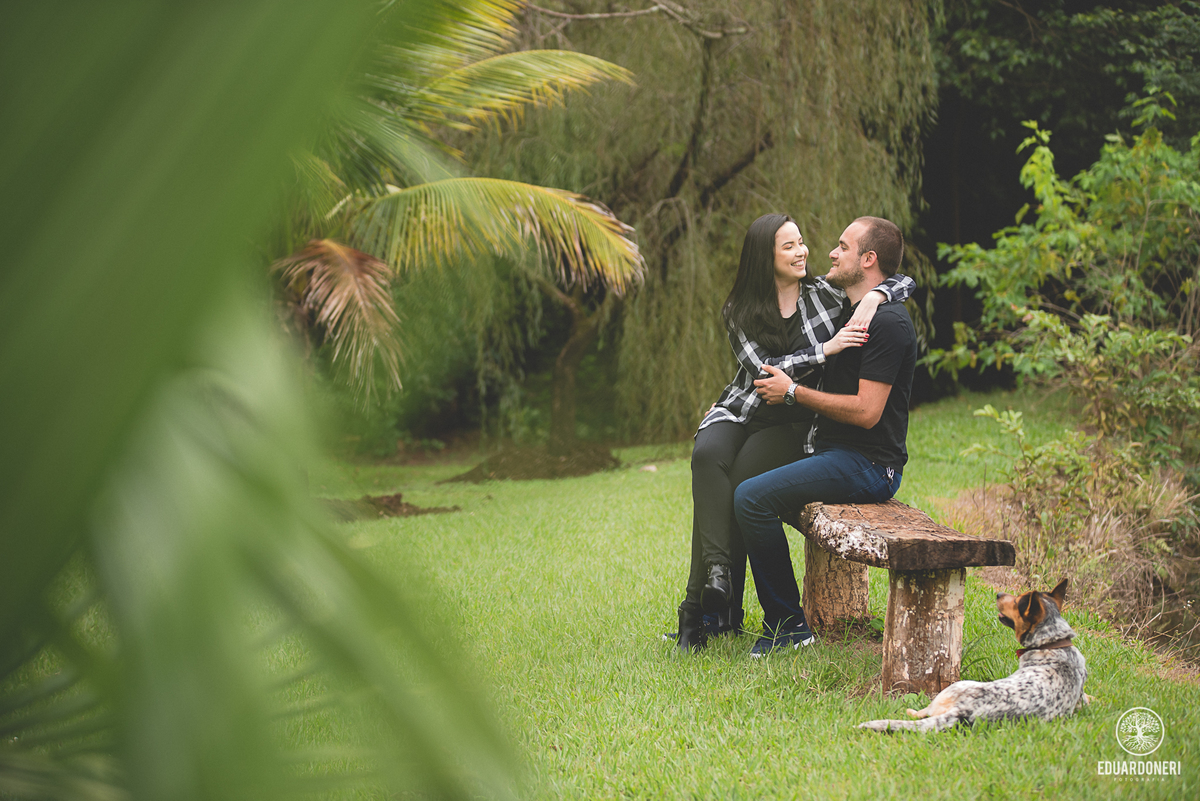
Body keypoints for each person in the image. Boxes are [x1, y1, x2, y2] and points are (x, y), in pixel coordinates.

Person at [671, 213, 915, 652]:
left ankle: (780, 625)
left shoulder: (854, 307)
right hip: (773, 420)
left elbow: (898, 279)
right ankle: (708, 610)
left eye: (841, 246)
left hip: (838, 445)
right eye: (791, 244)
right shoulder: (751, 309)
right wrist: (827, 347)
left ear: (866, 258)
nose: (820, 252)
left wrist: (877, 295)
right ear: (764, 258)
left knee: (747, 496)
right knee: (712, 468)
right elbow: (760, 370)